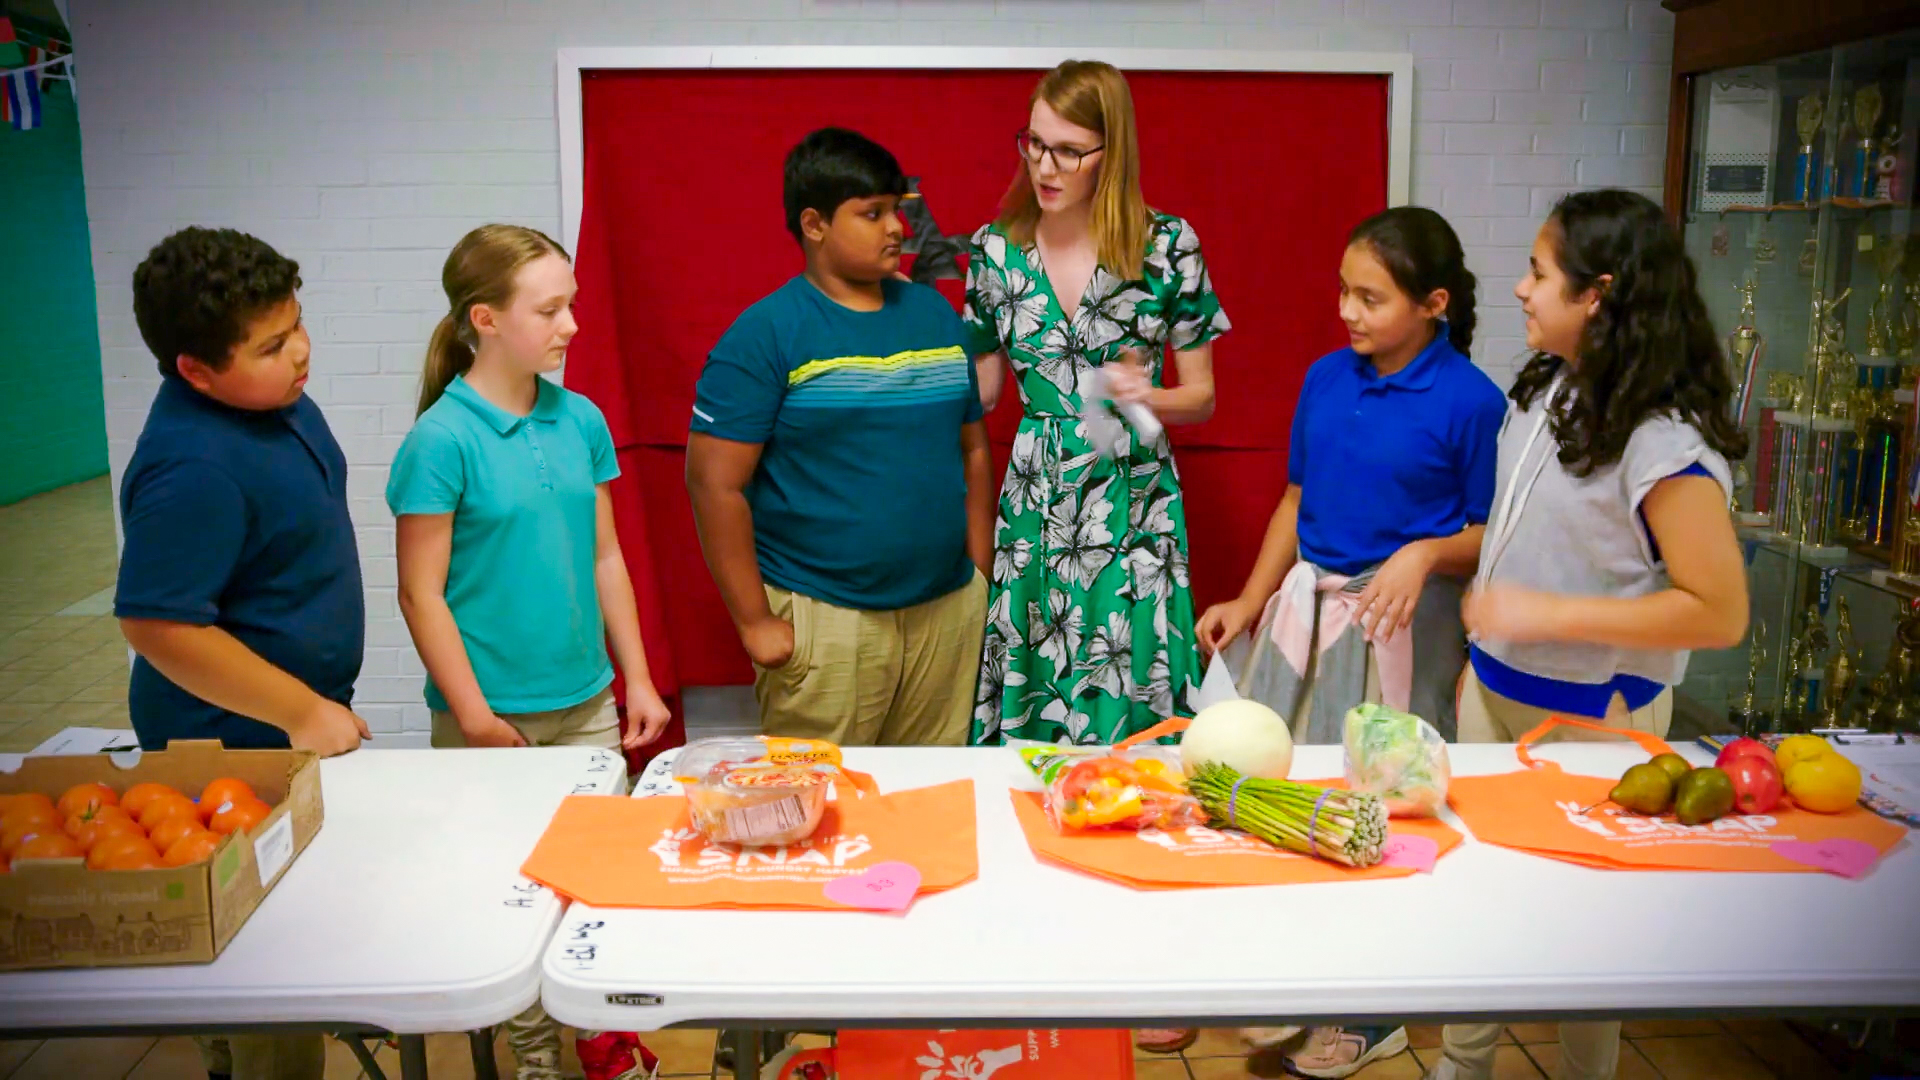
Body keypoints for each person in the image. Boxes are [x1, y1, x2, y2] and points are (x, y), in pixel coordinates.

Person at [1430, 189, 1749, 1080]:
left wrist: (1549, 616)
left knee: (1586, 921)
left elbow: (1719, 610)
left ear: (1598, 294)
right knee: (1486, 894)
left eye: (1539, 273)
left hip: (1596, 721)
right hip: (1496, 694)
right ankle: (1462, 1063)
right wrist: (1485, 659)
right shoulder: (1550, 385)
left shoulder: (1665, 440)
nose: (1521, 289)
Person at [1187, 207, 1503, 1076]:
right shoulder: (1327, 378)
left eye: (1370, 298)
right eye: (1343, 291)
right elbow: (1296, 501)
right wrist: (1250, 600)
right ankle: (1298, 980)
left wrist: (1424, 554)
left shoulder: (1473, 401)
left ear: (1433, 304)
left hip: (1406, 626)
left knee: (1385, 807)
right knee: (1290, 793)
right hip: (1308, 614)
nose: (1347, 312)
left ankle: (1375, 1010)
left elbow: (1489, 534)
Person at [388, 223, 672, 1080]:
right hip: (489, 721)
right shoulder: (441, 440)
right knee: (507, 898)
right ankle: (536, 1054)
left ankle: (604, 1039)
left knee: (594, 884)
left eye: (570, 305)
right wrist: (475, 718)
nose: (570, 325)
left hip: (586, 705)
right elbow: (420, 593)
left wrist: (639, 679)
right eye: (549, 310)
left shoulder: (579, 418)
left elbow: (605, 556)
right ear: (485, 319)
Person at [116, 226, 361, 1080]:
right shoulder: (191, 467)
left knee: (284, 953)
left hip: (289, 725)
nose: (300, 351)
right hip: (227, 742)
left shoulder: (278, 399)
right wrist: (302, 709)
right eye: (270, 345)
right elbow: (157, 624)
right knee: (270, 975)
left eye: (297, 325)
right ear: (195, 370)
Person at [686, 127, 994, 748]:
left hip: (945, 612)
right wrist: (754, 620)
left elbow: (974, 450)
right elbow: (713, 484)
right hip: (825, 618)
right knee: (819, 797)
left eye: (897, 210)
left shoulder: (936, 317)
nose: (897, 229)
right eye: (872, 213)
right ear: (815, 224)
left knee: (932, 794)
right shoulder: (766, 334)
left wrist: (979, 575)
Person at [965, 59, 1230, 748]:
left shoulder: (1167, 246)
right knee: (1035, 681)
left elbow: (1201, 396)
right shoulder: (995, 251)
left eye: (1069, 151)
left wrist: (1148, 396)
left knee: (1130, 676)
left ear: (1112, 153)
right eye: (1034, 143)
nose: (1044, 166)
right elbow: (983, 392)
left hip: (1131, 495)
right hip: (1036, 496)